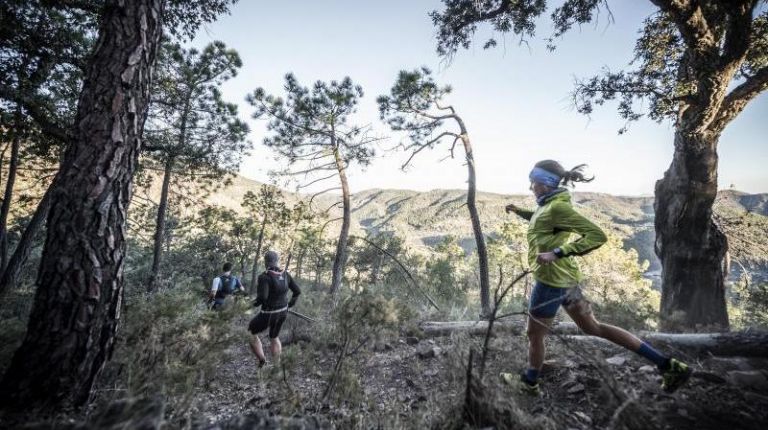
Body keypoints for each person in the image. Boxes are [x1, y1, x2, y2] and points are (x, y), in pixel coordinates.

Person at [502, 160, 691, 395]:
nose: (531, 187)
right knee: (593, 327)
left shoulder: (558, 208)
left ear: (547, 184)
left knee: (534, 334)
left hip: (550, 282)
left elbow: (597, 236)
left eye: (534, 182)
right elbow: (543, 222)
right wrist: (519, 211)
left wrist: (557, 252)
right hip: (566, 280)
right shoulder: (547, 205)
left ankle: (529, 383)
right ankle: (668, 365)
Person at [248, 250, 301, 368]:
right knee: (274, 337)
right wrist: (289, 304)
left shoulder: (264, 276)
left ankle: (262, 360)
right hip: (283, 312)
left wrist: (249, 305)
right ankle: (276, 367)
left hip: (268, 313)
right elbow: (297, 291)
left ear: (265, 261)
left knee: (250, 333)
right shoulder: (285, 274)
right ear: (277, 261)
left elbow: (262, 297)